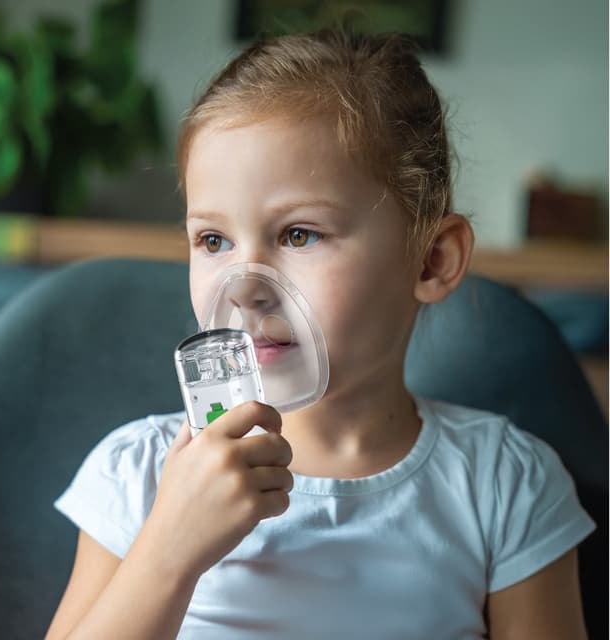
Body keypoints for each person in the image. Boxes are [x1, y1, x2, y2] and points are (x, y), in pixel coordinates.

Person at [45, 30, 595, 640]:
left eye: (299, 234)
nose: (244, 287)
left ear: (431, 260)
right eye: (213, 240)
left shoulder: (503, 484)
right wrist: (167, 551)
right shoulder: (141, 475)